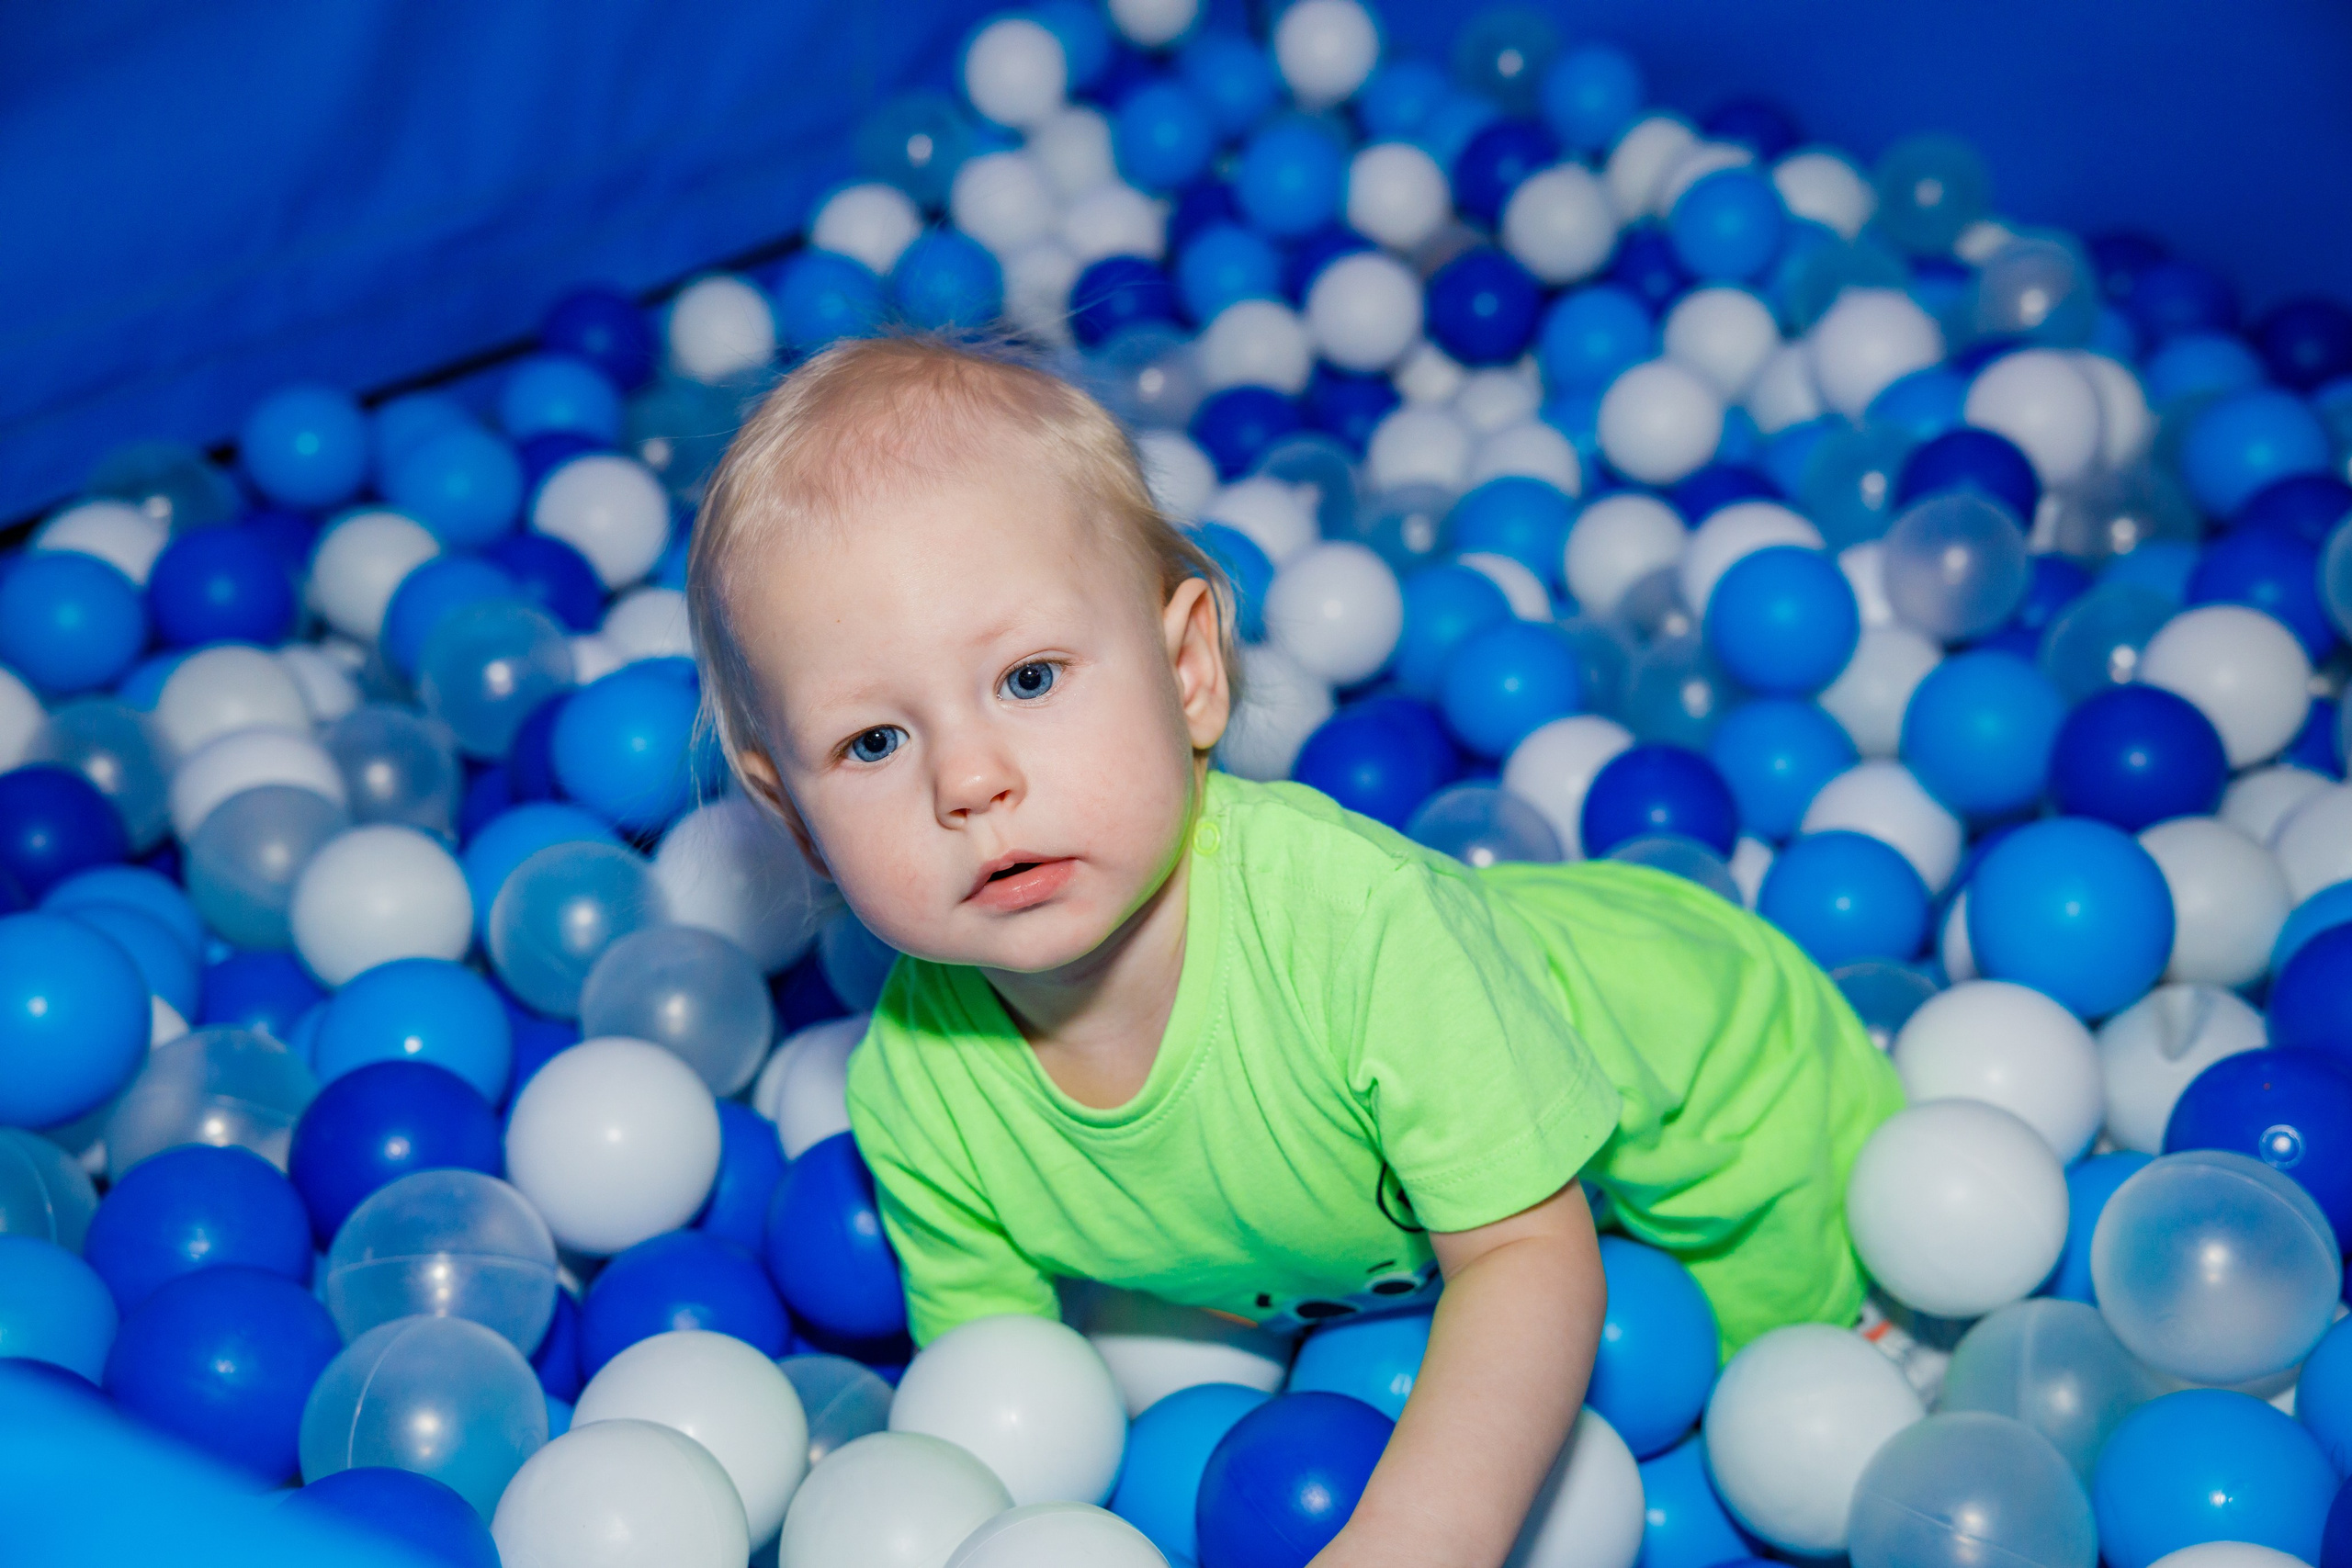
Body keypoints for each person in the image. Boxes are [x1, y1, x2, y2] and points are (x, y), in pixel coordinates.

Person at [687, 330, 1902, 1565]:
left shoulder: (1361, 940)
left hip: (1721, 1103)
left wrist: (1413, 1540)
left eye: (1031, 677)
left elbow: (1529, 1265)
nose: (972, 778)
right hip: (1412, 1232)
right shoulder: (918, 1091)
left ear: (1189, 671)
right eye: (875, 744)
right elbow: (1002, 1400)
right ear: (793, 815)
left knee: (1796, 1420)